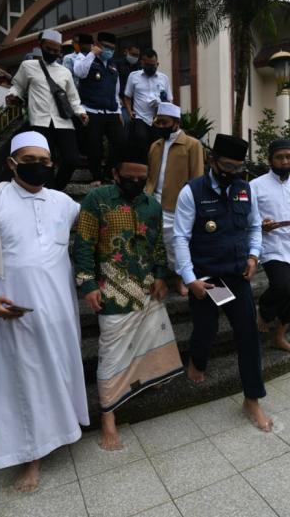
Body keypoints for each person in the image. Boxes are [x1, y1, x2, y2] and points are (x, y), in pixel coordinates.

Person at [0, 131, 89, 493]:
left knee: (58, 371)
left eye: (45, 161)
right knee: (21, 384)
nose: (39, 167)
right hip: (12, 312)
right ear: (11, 163)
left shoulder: (64, 203)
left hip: (59, 312)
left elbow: (96, 225)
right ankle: (30, 459)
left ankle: (64, 432)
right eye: (30, 160)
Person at [73, 145, 183, 451]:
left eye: (142, 177)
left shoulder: (152, 205)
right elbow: (82, 244)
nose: (136, 182)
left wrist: (162, 275)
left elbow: (158, 245)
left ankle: (146, 381)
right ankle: (108, 415)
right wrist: (87, 285)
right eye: (129, 177)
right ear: (115, 174)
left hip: (148, 288)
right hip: (112, 291)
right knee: (111, 355)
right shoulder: (97, 200)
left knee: (151, 340)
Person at [173, 133, 273, 432]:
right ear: (212, 161)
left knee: (248, 335)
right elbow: (180, 236)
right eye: (227, 166)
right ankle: (197, 361)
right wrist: (190, 279)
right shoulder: (192, 191)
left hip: (237, 274)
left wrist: (254, 257)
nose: (232, 173)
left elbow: (255, 226)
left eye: (238, 168)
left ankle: (252, 399)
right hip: (208, 277)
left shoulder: (244, 189)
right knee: (206, 328)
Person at [250, 139, 290, 356]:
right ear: (270, 160)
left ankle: (279, 337)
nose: (285, 161)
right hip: (272, 246)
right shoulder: (255, 186)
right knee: (282, 285)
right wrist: (262, 225)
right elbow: (250, 218)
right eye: (279, 157)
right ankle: (264, 312)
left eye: (288, 156)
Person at [5, 29, 87, 191]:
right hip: (39, 122)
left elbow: (72, 97)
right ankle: (48, 190)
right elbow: (18, 87)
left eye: (56, 51)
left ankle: (56, 189)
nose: (52, 53)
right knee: (43, 161)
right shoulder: (28, 66)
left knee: (72, 159)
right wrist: (13, 96)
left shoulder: (65, 71)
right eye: (49, 49)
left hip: (64, 123)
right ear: (41, 46)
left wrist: (81, 112)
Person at [143, 102, 204, 296]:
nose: (159, 126)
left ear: (176, 122)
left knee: (176, 243)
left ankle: (180, 278)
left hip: (178, 205)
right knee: (153, 242)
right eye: (157, 122)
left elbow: (197, 177)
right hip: (153, 202)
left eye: (164, 122)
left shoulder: (192, 145)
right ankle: (157, 278)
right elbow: (151, 175)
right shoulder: (155, 145)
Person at [74, 31, 127, 185]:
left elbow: (115, 91)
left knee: (121, 142)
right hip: (92, 109)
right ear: (97, 45)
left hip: (111, 111)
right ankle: (96, 176)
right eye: (106, 47)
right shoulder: (84, 58)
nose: (109, 51)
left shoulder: (113, 65)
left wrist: (118, 112)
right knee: (94, 145)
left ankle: (109, 171)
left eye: (112, 48)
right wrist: (92, 54)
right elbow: (79, 72)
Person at [124, 49, 173, 149]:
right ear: (142, 63)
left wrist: (161, 103)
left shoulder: (164, 78)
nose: (150, 67)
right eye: (147, 65)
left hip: (158, 118)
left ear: (157, 64)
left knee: (157, 145)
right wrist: (129, 112)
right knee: (141, 141)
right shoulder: (133, 76)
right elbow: (127, 97)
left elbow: (169, 100)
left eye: (153, 65)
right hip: (140, 117)